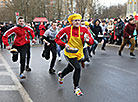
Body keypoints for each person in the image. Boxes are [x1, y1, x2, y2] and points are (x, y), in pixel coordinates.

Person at [55, 14, 94, 96]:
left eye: (78, 20)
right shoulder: (67, 29)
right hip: (69, 53)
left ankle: (61, 75)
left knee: (70, 68)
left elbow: (91, 42)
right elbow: (57, 38)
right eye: (75, 20)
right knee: (77, 67)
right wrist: (64, 44)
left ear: (80, 21)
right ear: (71, 22)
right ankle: (76, 87)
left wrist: (88, 40)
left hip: (79, 53)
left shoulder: (84, 29)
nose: (77, 22)